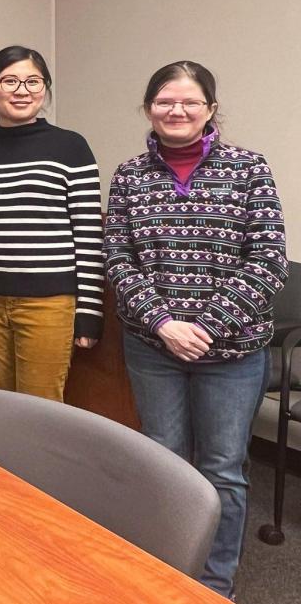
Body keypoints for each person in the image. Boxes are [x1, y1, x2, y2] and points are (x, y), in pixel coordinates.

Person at [104, 61, 286, 597]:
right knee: (162, 462)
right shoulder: (130, 175)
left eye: (189, 102)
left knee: (223, 470)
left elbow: (269, 259)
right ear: (148, 108)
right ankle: (163, 571)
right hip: (152, 347)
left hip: (233, 354)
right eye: (164, 101)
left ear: (210, 109)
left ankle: (212, 583)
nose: (176, 111)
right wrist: (163, 323)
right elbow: (118, 258)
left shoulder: (248, 168)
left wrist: (202, 326)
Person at [0, 45, 103, 402]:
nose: (22, 90)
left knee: (42, 409)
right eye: (10, 80)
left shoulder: (71, 147)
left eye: (33, 81)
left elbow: (89, 237)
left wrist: (90, 313)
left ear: (44, 89)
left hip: (48, 303)